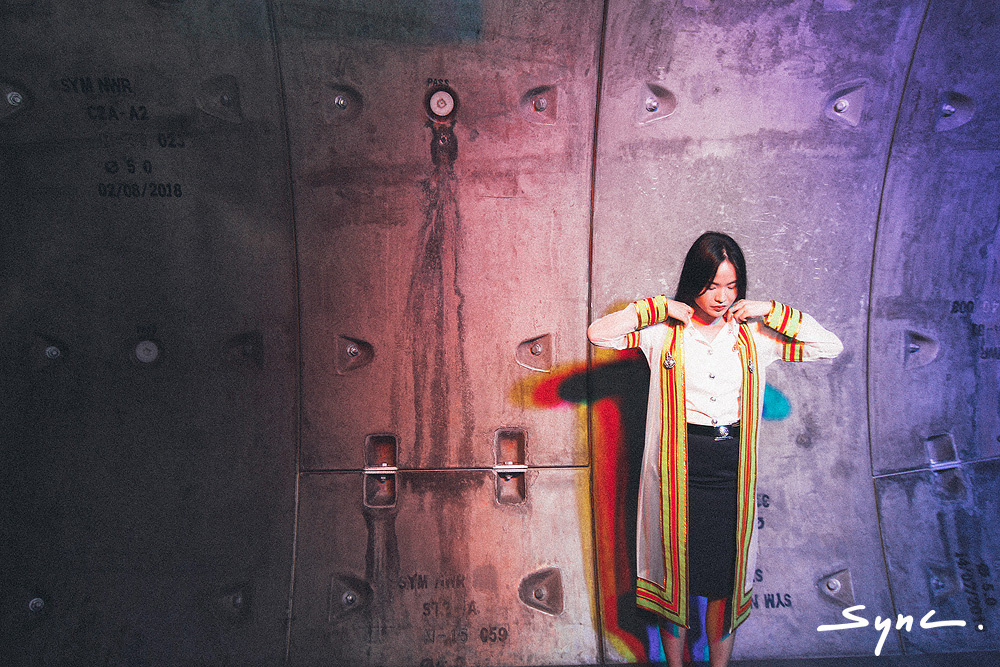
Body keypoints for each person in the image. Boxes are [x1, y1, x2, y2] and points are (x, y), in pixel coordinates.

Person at [587, 232, 842, 667]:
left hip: (730, 471)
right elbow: (599, 334)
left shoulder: (754, 335)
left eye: (731, 286)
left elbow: (829, 346)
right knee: (674, 576)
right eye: (711, 285)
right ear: (694, 283)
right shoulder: (663, 333)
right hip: (676, 469)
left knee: (726, 578)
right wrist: (659, 306)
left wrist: (769, 309)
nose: (722, 297)